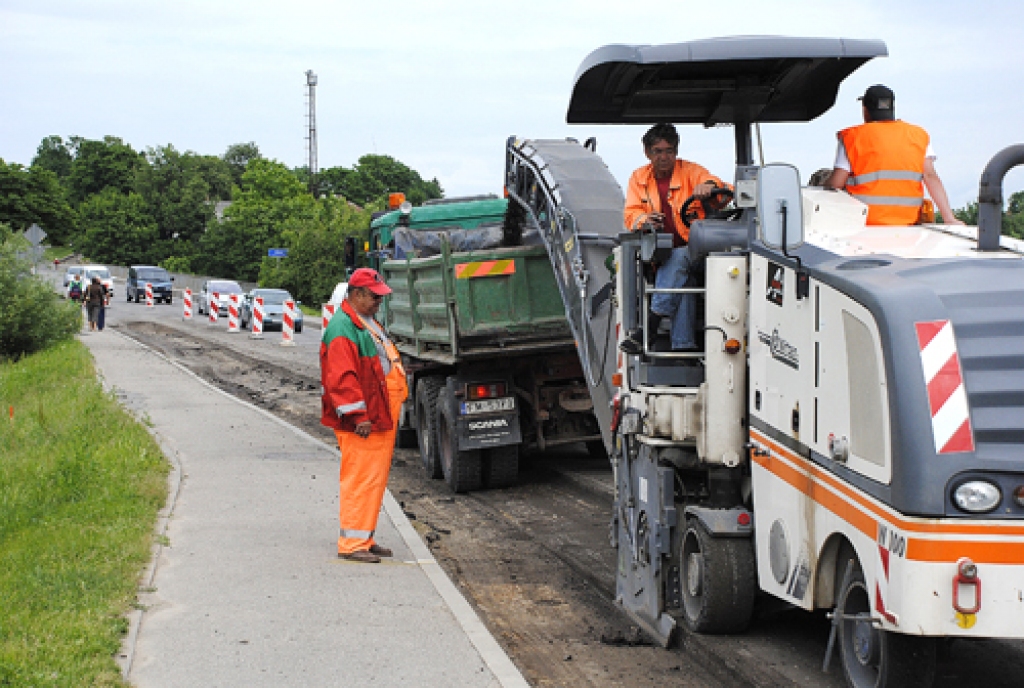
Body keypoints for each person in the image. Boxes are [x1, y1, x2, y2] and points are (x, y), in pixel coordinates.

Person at [320, 267, 408, 563]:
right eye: (375, 297)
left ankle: (364, 538)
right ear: (357, 295)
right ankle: (352, 544)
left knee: (373, 479)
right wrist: (358, 415)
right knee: (361, 479)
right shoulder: (344, 328)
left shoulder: (363, 322)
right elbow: (341, 379)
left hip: (377, 415)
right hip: (364, 421)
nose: (379, 303)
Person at [621, 122, 730, 353]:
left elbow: (719, 186)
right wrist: (645, 220)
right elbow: (631, 214)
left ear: (676, 152)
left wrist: (708, 187)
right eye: (658, 151)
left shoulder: (691, 172)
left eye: (669, 151)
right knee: (683, 284)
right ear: (647, 153)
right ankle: (683, 349)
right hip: (664, 258)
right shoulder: (639, 178)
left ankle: (651, 324)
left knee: (680, 257)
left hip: (702, 255)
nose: (664, 157)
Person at [826, 84, 964, 227]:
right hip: (907, 223)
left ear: (865, 110)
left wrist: (820, 188)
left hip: (864, 223)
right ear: (892, 108)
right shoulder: (918, 135)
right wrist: (949, 218)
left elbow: (836, 184)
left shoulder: (852, 137)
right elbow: (930, 176)